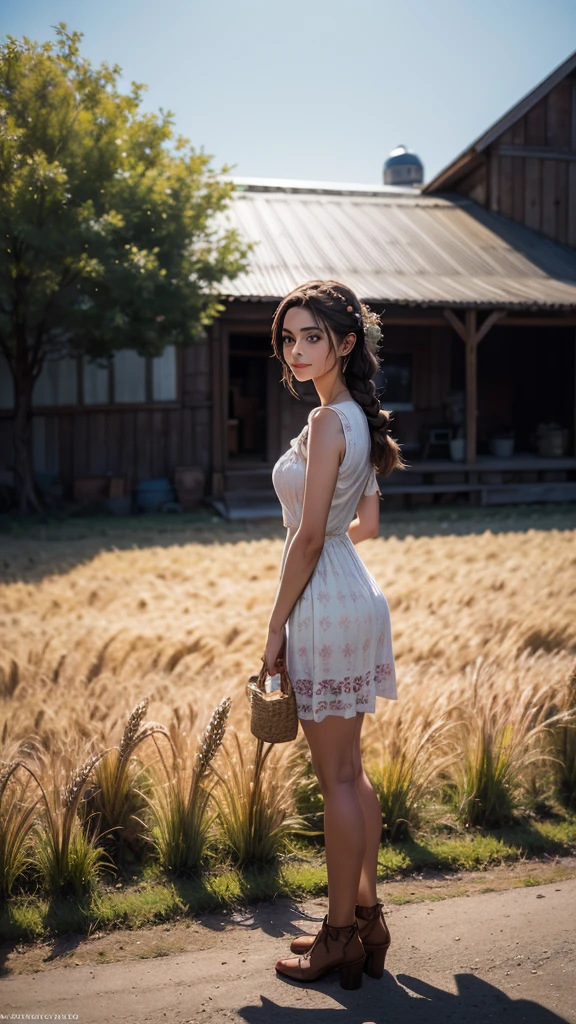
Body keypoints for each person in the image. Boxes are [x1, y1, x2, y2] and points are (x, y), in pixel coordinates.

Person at [265, 279, 408, 990]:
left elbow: (312, 534)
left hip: (325, 604)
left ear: (346, 343)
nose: (296, 350)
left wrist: (273, 634)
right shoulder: (355, 418)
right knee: (353, 774)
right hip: (357, 596)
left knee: (335, 781)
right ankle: (366, 917)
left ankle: (338, 936)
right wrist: (325, 557)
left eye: (312, 336)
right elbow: (365, 526)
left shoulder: (327, 423)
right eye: (289, 337)